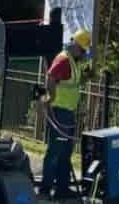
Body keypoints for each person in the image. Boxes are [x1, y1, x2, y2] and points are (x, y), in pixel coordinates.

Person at [39, 29, 91, 200]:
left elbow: (72, 83)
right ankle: (45, 190)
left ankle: (62, 189)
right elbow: (50, 78)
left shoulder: (74, 61)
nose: (84, 53)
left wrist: (87, 77)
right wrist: (51, 97)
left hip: (68, 113)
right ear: (75, 45)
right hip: (59, 112)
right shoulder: (63, 59)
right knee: (55, 152)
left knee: (65, 152)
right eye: (82, 50)